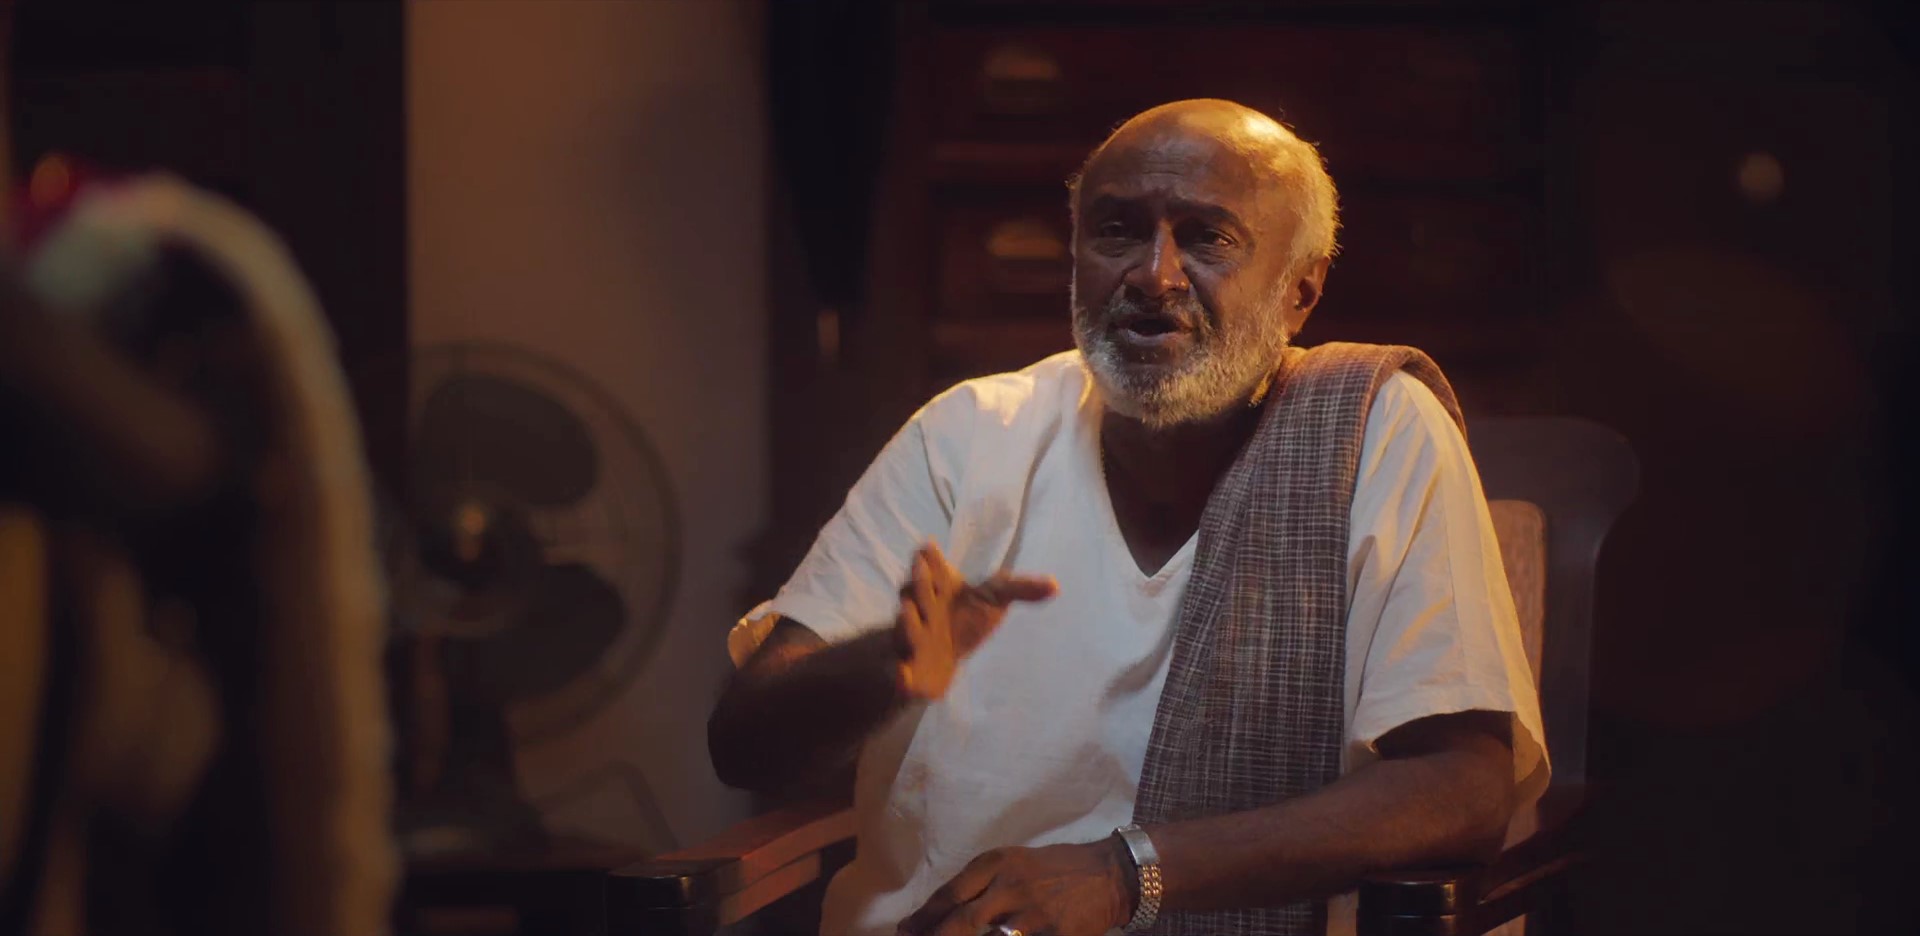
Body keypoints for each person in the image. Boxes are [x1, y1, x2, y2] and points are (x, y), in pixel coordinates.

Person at [708, 99, 1544, 936]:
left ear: (1300, 290)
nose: (1154, 275)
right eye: (1117, 231)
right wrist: (883, 666)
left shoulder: (1373, 430)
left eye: (1208, 238)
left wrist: (1126, 874)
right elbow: (744, 743)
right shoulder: (969, 435)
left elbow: (1463, 787)